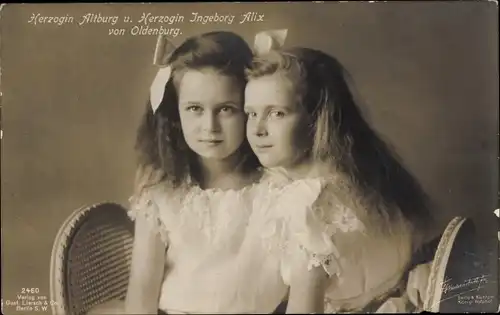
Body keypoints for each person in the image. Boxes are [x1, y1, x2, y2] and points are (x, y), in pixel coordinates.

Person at [89, 31, 295, 315]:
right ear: (176, 114)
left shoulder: (281, 188)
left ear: (250, 108)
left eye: (226, 109)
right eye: (195, 109)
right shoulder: (162, 193)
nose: (210, 126)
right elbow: (141, 298)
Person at [243, 46, 438, 313]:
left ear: (316, 118)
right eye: (251, 113)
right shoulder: (358, 171)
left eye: (277, 113)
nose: (257, 129)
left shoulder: (304, 206)